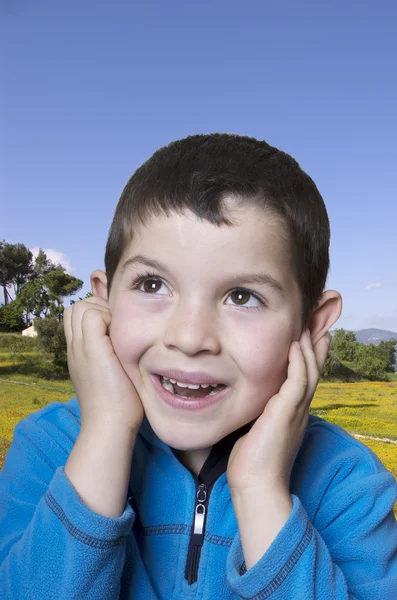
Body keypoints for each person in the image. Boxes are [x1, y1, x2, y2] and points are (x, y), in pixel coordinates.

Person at [0, 134, 396, 600]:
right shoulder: (48, 448)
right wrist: (105, 432)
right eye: (152, 284)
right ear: (103, 301)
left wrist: (262, 492)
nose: (189, 338)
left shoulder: (346, 482)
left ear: (310, 325)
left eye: (242, 297)